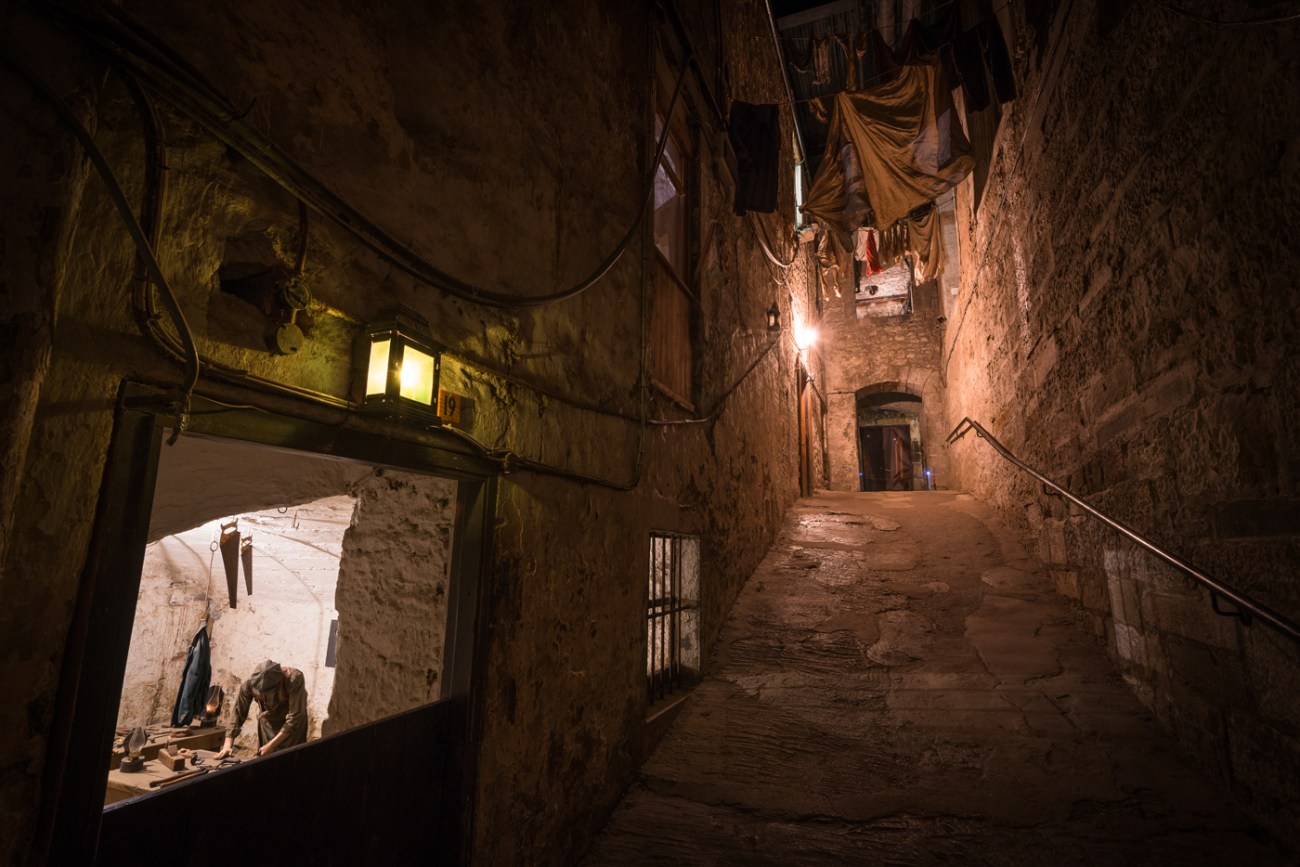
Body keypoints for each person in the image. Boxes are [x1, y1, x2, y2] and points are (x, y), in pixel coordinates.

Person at [215, 659, 308, 758]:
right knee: (266, 761)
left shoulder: (294, 679)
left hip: (292, 728)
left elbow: (295, 717)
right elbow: (238, 713)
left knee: (290, 761)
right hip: (268, 725)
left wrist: (271, 745)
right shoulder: (248, 684)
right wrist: (227, 744)